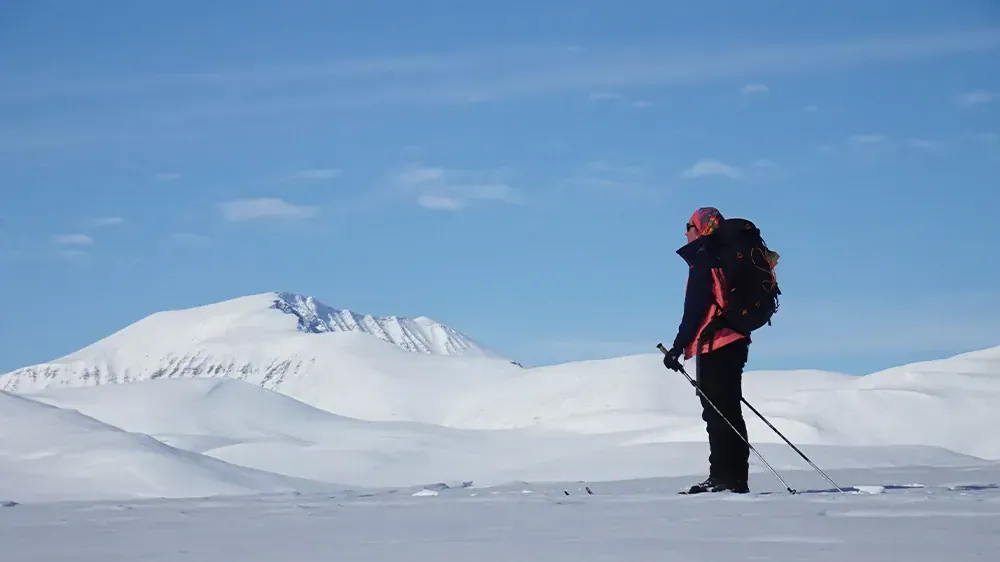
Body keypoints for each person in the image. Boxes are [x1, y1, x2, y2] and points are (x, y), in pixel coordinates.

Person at [662, 206, 751, 494]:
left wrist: (677, 347)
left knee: (716, 413)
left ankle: (722, 478)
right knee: (730, 409)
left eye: (687, 226)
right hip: (736, 340)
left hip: (714, 343)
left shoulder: (705, 259)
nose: (685, 233)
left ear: (699, 229)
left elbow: (696, 309)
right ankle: (736, 477)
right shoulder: (727, 256)